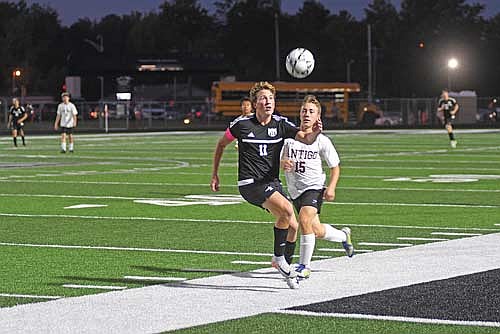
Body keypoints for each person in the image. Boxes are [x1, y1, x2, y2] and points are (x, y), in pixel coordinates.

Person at [210, 81, 322, 286]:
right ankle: (279, 259)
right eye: (263, 98)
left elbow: (305, 138)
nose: (268, 101)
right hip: (250, 183)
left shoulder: (280, 124)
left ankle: (286, 269)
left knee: (293, 226)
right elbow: (221, 144)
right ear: (255, 103)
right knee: (288, 211)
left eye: (271, 98)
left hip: (271, 183)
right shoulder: (241, 125)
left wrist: (315, 133)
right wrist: (215, 174)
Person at [281, 95, 353, 280]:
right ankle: (344, 236)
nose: (306, 114)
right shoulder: (290, 138)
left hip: (314, 187)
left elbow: (335, 166)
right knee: (317, 230)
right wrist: (283, 162)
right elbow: (280, 158)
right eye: (304, 110)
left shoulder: (322, 140)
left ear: (318, 117)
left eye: (311, 111)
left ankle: (304, 266)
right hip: (295, 190)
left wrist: (331, 187)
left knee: (304, 220)